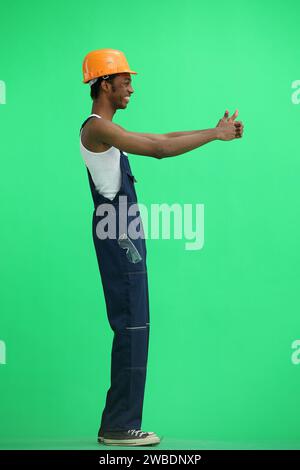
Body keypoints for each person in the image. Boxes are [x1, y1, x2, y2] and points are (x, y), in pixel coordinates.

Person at [79, 48, 244, 447]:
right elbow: (158, 150)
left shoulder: (111, 131)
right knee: (132, 328)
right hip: (118, 236)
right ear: (105, 83)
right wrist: (215, 135)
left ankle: (118, 422)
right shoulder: (96, 128)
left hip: (124, 234)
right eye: (125, 81)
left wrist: (212, 131)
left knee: (136, 328)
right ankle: (118, 426)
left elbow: (160, 138)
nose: (131, 88)